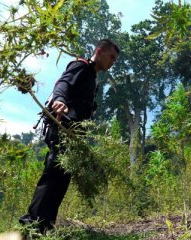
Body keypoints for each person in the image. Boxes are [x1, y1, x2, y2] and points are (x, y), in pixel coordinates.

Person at [19, 39, 120, 233]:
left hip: (72, 136)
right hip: (60, 127)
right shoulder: (80, 66)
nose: (112, 62)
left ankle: (45, 226)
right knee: (54, 173)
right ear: (99, 51)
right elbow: (64, 83)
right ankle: (32, 223)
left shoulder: (93, 78)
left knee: (62, 179)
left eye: (115, 60)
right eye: (111, 57)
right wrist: (59, 100)